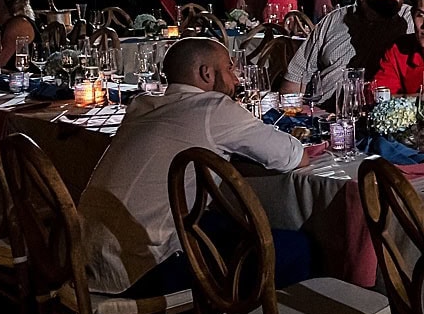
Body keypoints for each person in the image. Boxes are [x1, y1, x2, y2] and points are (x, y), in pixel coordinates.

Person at [77, 37, 317, 297]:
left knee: (222, 224)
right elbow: (293, 157)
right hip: (140, 269)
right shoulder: (213, 107)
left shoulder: (141, 105)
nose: (236, 79)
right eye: (229, 68)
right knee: (296, 247)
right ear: (206, 73)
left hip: (83, 256)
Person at [282, 0, 413, 101]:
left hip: (381, 114)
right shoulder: (334, 20)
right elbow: (297, 75)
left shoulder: (411, 20)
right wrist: (292, 117)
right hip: (323, 113)